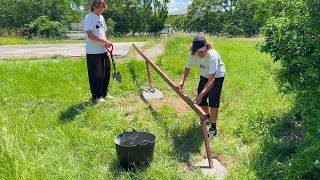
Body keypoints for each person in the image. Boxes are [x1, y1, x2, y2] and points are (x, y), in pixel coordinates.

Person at [176, 35, 226, 137]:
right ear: (194, 50)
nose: (200, 53)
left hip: (217, 76)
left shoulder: (212, 56)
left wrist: (201, 94)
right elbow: (187, 68)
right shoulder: (192, 55)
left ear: (206, 47)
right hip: (204, 75)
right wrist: (182, 81)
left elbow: (211, 80)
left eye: (202, 51)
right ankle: (207, 117)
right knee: (201, 101)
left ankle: (213, 127)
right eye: (198, 51)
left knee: (213, 102)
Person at [83, 0, 113, 103]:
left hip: (103, 50)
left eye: (103, 7)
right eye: (100, 7)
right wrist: (103, 41)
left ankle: (104, 93)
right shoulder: (89, 17)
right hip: (93, 52)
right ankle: (97, 96)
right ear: (95, 6)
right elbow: (90, 35)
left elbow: (103, 32)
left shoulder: (101, 17)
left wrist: (106, 42)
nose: (102, 9)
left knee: (106, 72)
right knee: (96, 74)